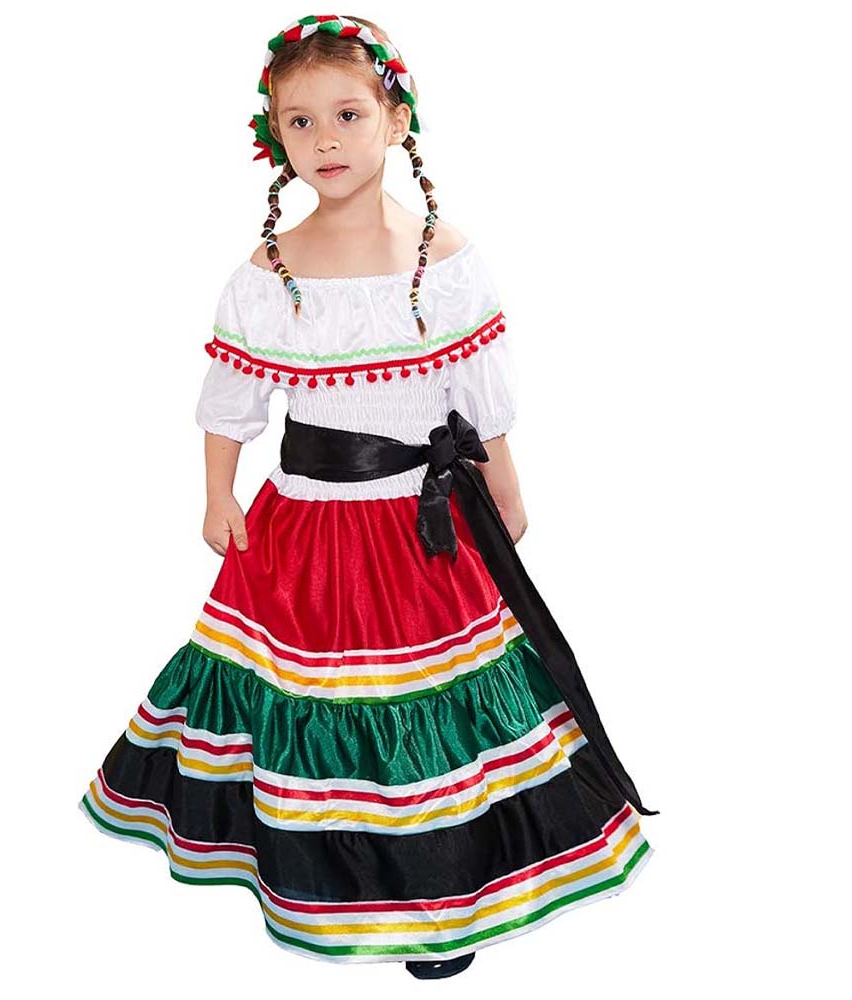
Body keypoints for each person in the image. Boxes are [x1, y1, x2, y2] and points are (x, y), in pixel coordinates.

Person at [78, 14, 658, 979]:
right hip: (307, 529)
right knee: (316, 701)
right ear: (274, 137)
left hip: (422, 527)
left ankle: (441, 897)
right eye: (300, 122)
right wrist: (218, 492)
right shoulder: (270, 274)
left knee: (428, 705)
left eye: (348, 114)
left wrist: (505, 489)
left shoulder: (444, 257)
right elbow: (231, 401)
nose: (326, 140)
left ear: (396, 118)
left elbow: (479, 402)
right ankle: (330, 880)